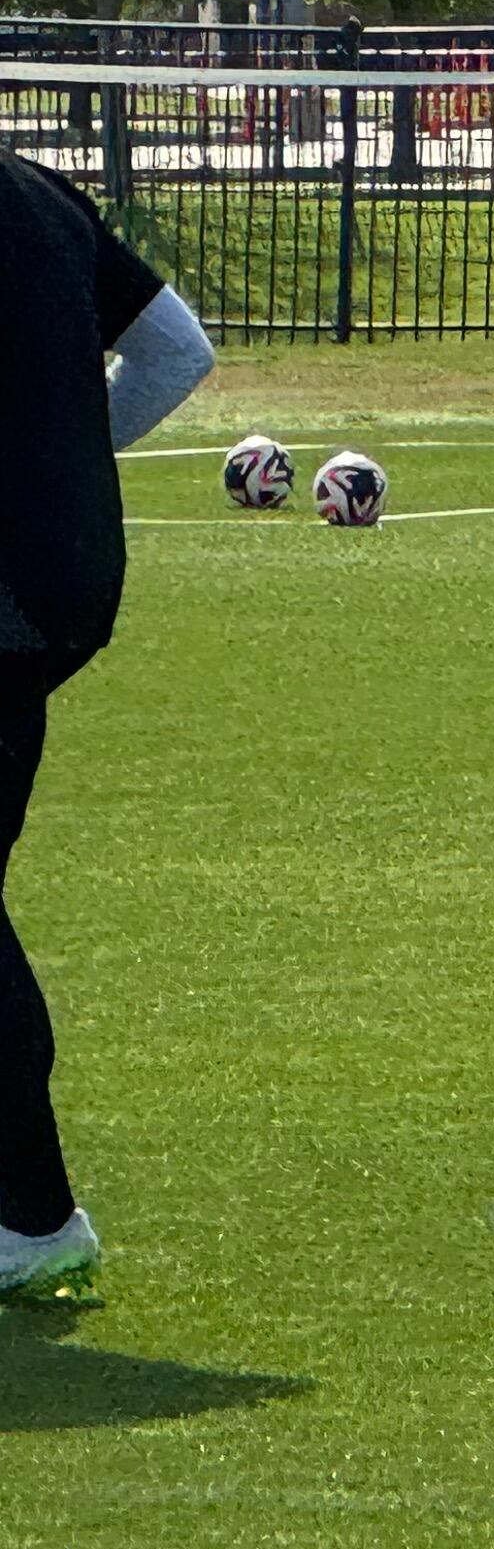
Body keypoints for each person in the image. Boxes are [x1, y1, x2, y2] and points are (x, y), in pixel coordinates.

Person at [2, 148, 215, 1305]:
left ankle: (35, 1212)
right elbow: (181, 351)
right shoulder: (44, 191)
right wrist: (68, 465)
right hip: (67, 586)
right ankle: (29, 1210)